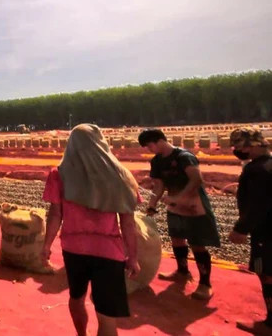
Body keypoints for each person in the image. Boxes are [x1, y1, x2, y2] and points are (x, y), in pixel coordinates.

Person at [41, 124, 141, 336]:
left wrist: (46, 245)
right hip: (109, 252)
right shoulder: (120, 176)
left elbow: (56, 215)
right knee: (106, 315)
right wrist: (132, 257)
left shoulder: (59, 175)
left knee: (77, 297)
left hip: (74, 249)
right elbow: (128, 223)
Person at [139, 128, 221, 300]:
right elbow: (159, 185)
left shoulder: (184, 157)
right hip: (175, 207)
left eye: (149, 146)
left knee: (197, 243)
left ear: (159, 141)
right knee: (177, 238)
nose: (149, 149)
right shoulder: (157, 161)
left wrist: (178, 197)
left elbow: (196, 179)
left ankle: (205, 284)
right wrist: (152, 205)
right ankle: (182, 271)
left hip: (194, 205)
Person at [227, 128, 272, 334]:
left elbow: (257, 204)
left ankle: (270, 324)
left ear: (252, 146)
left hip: (265, 232)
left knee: (267, 274)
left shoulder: (257, 170)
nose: (237, 151)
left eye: (239, 147)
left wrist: (241, 229)